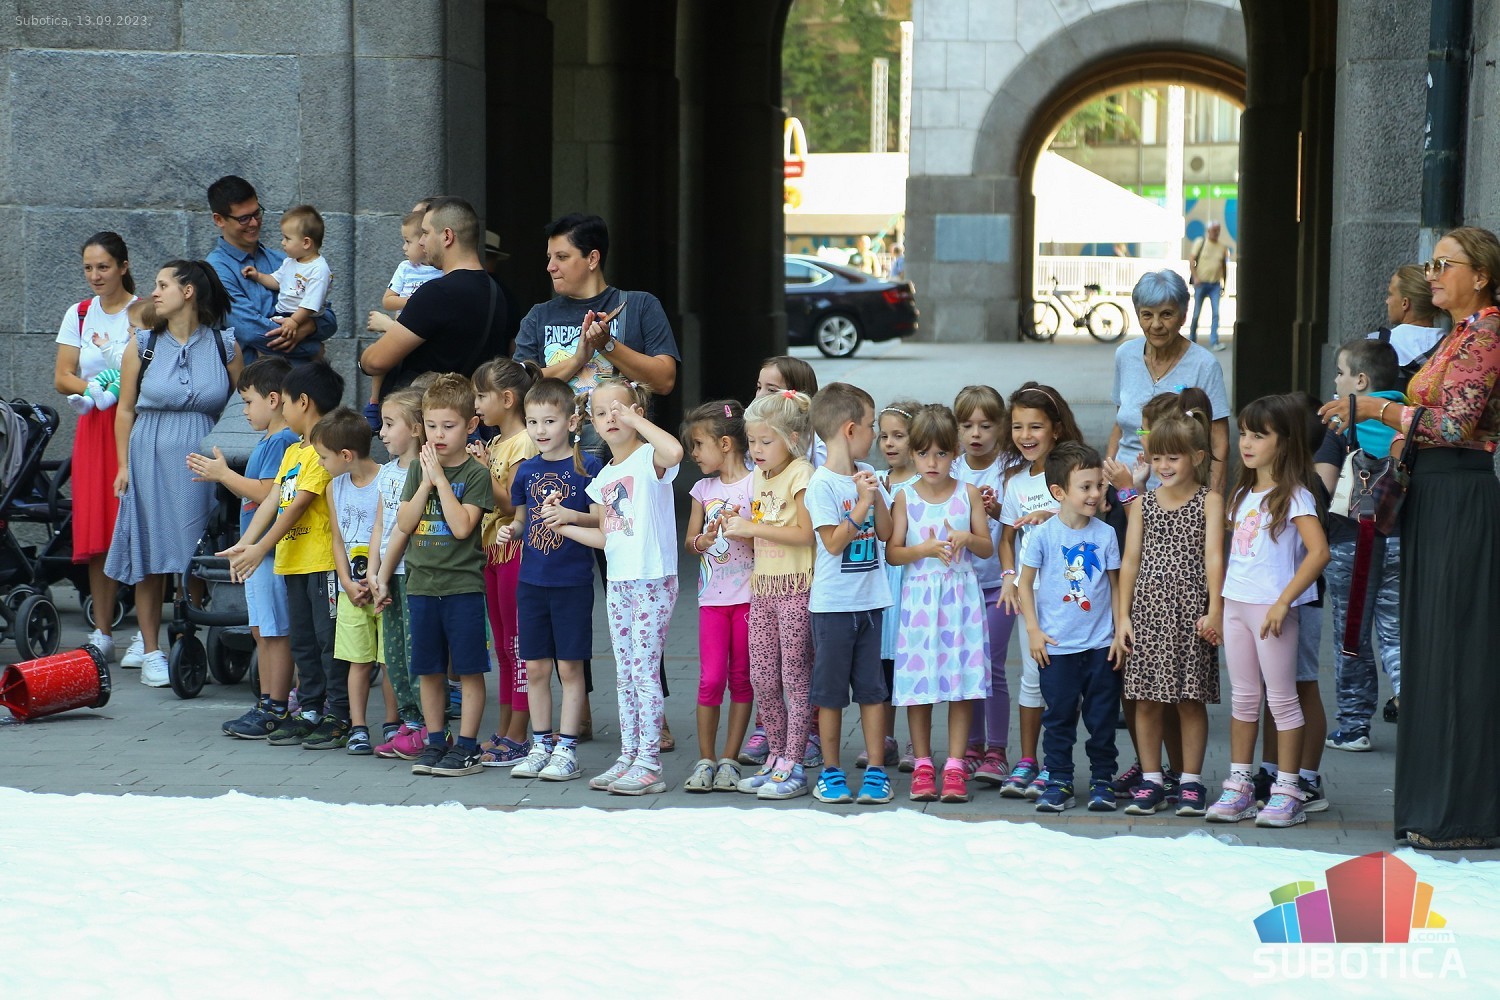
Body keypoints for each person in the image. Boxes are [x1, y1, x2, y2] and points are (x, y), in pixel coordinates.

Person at [1318, 226, 1500, 850]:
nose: (1432, 275)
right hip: (1435, 493)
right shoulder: (1462, 333)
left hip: (1459, 494)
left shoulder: (1488, 332)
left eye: (1445, 264)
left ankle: (1461, 812)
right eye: (1430, 264)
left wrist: (1379, 410)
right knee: (1433, 645)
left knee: (1454, 648)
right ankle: (1435, 807)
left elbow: (1455, 424)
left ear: (1480, 276)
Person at [106, 261, 242, 687]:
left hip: (202, 459)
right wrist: (123, 466)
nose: (154, 292)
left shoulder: (224, 344)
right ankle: (150, 651)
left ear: (188, 292)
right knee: (149, 554)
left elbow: (243, 408)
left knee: (194, 552)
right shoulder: (143, 344)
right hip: (148, 453)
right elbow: (124, 409)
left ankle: (188, 639)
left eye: (163, 285)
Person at [548, 379, 684, 794]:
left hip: (652, 578)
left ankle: (649, 763)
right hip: (620, 581)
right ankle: (628, 755)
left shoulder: (649, 457)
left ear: (637, 413)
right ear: (590, 421)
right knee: (625, 674)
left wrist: (636, 421)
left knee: (644, 672)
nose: (611, 418)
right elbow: (607, 535)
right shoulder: (604, 476)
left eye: (619, 409)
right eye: (601, 412)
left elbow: (675, 452)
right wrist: (565, 526)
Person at [1207, 395, 1329, 829]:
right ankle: (1240, 786)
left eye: (1259, 435)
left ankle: (1288, 790)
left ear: (1285, 441)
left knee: (1282, 700)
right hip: (1237, 607)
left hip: (1272, 613)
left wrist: (1283, 601)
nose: (1247, 443)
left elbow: (1319, 553)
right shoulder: (1242, 493)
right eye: (1244, 433)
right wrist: (1219, 608)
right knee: (1243, 699)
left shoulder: (1295, 495)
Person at [222, 362, 345, 747]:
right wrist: (247, 543)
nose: (284, 410)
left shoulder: (321, 452)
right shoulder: (293, 451)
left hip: (322, 564)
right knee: (303, 642)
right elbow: (272, 501)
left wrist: (260, 548)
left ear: (302, 402)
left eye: (287, 402)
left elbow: (296, 507)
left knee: (327, 642)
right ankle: (309, 710)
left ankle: (338, 715)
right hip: (294, 562)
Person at [1115, 410, 1224, 817]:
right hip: (1147, 612)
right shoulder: (1143, 503)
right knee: (1145, 699)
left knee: (1190, 700)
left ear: (1197, 457)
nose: (1163, 466)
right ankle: (1152, 779)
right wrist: (1123, 617)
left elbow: (1214, 558)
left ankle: (1190, 781)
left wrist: (1215, 609)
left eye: (1173, 457)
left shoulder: (1210, 501)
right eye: (1157, 457)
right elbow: (1130, 561)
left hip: (1191, 614)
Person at [886, 404, 993, 804]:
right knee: (921, 687)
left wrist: (967, 538)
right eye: (923, 453)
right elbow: (893, 553)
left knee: (960, 684)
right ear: (912, 454)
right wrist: (924, 549)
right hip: (920, 604)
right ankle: (923, 764)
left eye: (942, 453)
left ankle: (955, 765)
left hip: (960, 603)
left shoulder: (968, 494)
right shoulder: (904, 497)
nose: (932, 462)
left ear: (955, 452)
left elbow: (986, 547)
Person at [499, 379, 603, 781]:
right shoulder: (526, 470)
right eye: (532, 422)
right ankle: (541, 745)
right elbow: (522, 519)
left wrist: (569, 516)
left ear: (572, 422)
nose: (540, 430)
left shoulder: (588, 467)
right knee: (536, 668)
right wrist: (511, 530)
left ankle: (567, 750)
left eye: (549, 421)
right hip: (531, 583)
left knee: (570, 670)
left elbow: (601, 520)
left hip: (572, 584)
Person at [512, 213, 681, 454]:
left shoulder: (640, 305)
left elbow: (664, 381)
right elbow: (517, 390)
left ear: (592, 258)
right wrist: (576, 361)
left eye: (562, 257)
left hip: (622, 456)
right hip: (554, 457)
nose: (550, 267)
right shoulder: (538, 316)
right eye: (549, 257)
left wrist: (608, 346)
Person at [193, 357, 299, 739]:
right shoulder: (270, 440)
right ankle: (270, 702)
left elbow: (267, 493)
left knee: (273, 632)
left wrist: (223, 475)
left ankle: (276, 706)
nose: (244, 411)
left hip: (269, 553)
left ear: (273, 399)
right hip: (258, 552)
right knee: (262, 630)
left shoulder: (281, 441)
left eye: (248, 402)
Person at [395, 374, 494, 777]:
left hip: (462, 587)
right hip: (421, 585)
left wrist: (440, 481)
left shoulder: (476, 474)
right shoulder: (418, 470)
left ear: (471, 425)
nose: (438, 435)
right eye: (432, 425)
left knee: (467, 669)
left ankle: (467, 746)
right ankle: (436, 740)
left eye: (449, 426)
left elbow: (461, 527)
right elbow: (404, 523)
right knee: (429, 670)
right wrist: (426, 481)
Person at [1018, 442, 1124, 813]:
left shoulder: (1105, 534)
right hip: (1057, 648)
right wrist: (1033, 631)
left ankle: (1102, 781)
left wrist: (1119, 630)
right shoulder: (1043, 535)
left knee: (1102, 720)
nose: (1095, 494)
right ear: (1059, 492)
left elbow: (1115, 586)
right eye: (1086, 487)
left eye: (1099, 485)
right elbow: (1024, 584)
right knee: (1058, 719)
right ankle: (1059, 780)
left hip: (1100, 647)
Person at [54, 232, 145, 663]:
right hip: (94, 424)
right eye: (89, 268)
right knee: (99, 532)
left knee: (139, 527)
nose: (95, 275)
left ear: (123, 266)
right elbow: (62, 376)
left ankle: (147, 637)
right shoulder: (79, 313)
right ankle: (102, 631)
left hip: (135, 421)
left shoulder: (144, 310)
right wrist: (95, 387)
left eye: (104, 266)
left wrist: (119, 389)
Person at [723, 390, 817, 800]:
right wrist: (736, 525)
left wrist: (751, 528)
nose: (756, 450)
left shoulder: (801, 473)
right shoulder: (759, 475)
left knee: (795, 676)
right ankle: (775, 756)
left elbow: (805, 534)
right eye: (752, 441)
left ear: (792, 439)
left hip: (796, 587)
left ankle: (794, 763)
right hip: (763, 588)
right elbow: (763, 527)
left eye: (766, 441)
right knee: (761, 676)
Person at [805, 383, 894, 806]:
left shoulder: (867, 474)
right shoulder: (821, 484)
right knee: (830, 693)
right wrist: (861, 502)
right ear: (851, 429)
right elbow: (834, 542)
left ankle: (876, 770)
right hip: (833, 608)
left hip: (871, 603)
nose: (876, 435)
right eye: (872, 426)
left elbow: (887, 535)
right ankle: (830, 771)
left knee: (873, 690)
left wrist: (877, 497)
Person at [1315, 339, 1405, 753]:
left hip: (1351, 544)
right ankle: (1411, 705)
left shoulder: (1341, 424)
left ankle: (1354, 726)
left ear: (1361, 381)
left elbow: (1323, 486)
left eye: (1340, 373)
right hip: (1400, 541)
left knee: (1351, 635)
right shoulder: (1406, 419)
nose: (1336, 381)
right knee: (1396, 632)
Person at [996, 382, 1085, 798]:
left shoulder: (1078, 473)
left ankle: (1056, 764)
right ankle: (1028, 761)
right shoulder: (1015, 482)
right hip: (1032, 598)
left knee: (1065, 685)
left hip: (1076, 598)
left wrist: (1054, 513)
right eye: (1018, 426)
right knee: (1032, 678)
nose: (1026, 435)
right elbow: (1006, 538)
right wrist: (1009, 576)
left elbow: (1096, 519)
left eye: (1035, 426)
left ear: (1056, 428)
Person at [358, 197, 510, 394]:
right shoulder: (498, 293)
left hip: (425, 408)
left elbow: (375, 361)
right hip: (468, 407)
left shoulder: (437, 292)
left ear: (447, 236)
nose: (421, 242)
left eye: (425, 233)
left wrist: (363, 360)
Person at [471, 358, 542, 766]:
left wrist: (482, 471)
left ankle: (518, 734)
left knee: (517, 645)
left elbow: (515, 503)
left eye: (482, 396)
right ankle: (503, 730)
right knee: (502, 647)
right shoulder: (498, 441)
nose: (476, 405)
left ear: (508, 398)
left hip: (515, 550)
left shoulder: (524, 442)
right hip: (492, 551)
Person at [681, 400, 754, 793]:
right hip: (712, 601)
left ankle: (729, 759)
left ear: (725, 444)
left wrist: (745, 528)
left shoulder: (757, 484)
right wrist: (703, 540)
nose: (693, 453)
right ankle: (705, 759)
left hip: (749, 600)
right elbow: (690, 542)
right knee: (710, 680)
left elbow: (766, 539)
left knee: (742, 679)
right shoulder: (702, 489)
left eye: (698, 444)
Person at [1109, 270, 1231, 491]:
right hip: (1123, 487)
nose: (1156, 324)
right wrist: (1105, 477)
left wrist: (1213, 498)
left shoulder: (1204, 365)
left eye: (1166, 314)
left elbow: (1219, 441)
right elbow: (1120, 424)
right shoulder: (1125, 355)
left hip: (1179, 493)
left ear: (1183, 316)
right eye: (1147, 315)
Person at [311, 408, 387, 756]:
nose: (320, 463)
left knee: (388, 659)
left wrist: (377, 579)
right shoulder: (334, 488)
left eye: (323, 457)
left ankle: (394, 722)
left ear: (345, 455)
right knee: (357, 660)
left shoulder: (387, 481)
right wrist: (345, 581)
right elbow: (337, 540)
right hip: (351, 591)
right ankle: (358, 727)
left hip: (384, 586)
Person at [952, 384, 1014, 785]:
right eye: (967, 425)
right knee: (964, 663)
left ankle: (997, 750)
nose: (976, 434)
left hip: (999, 584)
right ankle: (971, 747)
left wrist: (997, 509)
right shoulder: (952, 468)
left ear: (1001, 427)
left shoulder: (1010, 469)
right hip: (960, 585)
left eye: (986, 425)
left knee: (989, 662)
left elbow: (1017, 521)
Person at [206, 175, 336, 362]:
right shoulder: (216, 270)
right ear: (219, 220)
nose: (254, 223)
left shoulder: (286, 260)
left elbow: (329, 318)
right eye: (244, 218)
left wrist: (310, 326)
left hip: (302, 375)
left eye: (257, 213)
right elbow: (252, 332)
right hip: (255, 377)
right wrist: (314, 348)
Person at [368, 390, 427, 758]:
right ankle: (410, 719)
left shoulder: (424, 471)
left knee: (415, 650)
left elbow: (407, 530)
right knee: (393, 652)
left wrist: (386, 572)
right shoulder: (387, 472)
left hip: (412, 573)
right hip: (387, 575)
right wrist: (374, 572)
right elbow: (379, 526)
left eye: (390, 424)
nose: (382, 432)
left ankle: (429, 723)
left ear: (416, 429)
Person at [863, 399, 921, 772]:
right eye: (883, 436)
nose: (889, 443)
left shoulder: (922, 484)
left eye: (898, 436)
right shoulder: (875, 479)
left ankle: (918, 742)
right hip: (879, 582)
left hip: (909, 581)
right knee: (880, 664)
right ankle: (883, 739)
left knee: (909, 662)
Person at [365, 209, 444, 425]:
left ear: (424, 241)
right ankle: (374, 402)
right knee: (381, 357)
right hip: (401, 328)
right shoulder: (405, 268)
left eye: (408, 241)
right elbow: (388, 300)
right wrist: (417, 303)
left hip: (422, 335)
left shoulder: (441, 272)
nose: (404, 247)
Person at [239, 205, 333, 346]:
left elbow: (311, 304)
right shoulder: (290, 261)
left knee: (278, 340)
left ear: (306, 243)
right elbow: (277, 281)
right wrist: (258, 276)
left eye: (287, 238)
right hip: (284, 314)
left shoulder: (319, 270)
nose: (282, 243)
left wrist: (294, 321)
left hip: (302, 317)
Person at [1369, 263, 1443, 368]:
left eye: (1390, 294)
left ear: (1405, 303)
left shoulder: (1374, 347)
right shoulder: (1454, 347)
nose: (1387, 301)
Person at [1188, 221, 1230, 350]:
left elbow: (1224, 267)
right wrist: (1195, 277)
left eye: (1218, 230)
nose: (1216, 233)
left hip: (1215, 284)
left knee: (1216, 313)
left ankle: (1214, 341)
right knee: (1196, 313)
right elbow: (1191, 260)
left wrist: (1224, 284)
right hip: (1201, 283)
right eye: (1214, 230)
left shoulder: (1222, 247)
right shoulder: (1200, 243)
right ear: (1208, 231)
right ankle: (1192, 340)